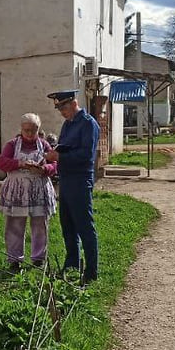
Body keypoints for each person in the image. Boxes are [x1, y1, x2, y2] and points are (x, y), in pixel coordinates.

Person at [45, 89, 100, 284]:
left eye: (63, 108)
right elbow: (64, 147)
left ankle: (91, 272)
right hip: (66, 179)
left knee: (84, 226)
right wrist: (54, 154)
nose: (62, 113)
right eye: (60, 109)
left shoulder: (87, 124)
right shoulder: (67, 124)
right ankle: (72, 265)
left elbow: (86, 156)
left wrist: (59, 156)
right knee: (67, 225)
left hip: (80, 179)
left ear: (73, 104)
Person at [0, 113, 57, 272]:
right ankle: (14, 259)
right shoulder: (12, 145)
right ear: (21, 129)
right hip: (17, 190)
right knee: (15, 224)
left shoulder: (44, 145)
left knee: (39, 224)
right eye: (27, 130)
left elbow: (54, 165)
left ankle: (38, 258)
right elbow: (2, 162)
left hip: (39, 189)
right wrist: (20, 163)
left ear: (38, 129)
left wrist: (44, 168)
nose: (30, 134)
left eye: (34, 130)